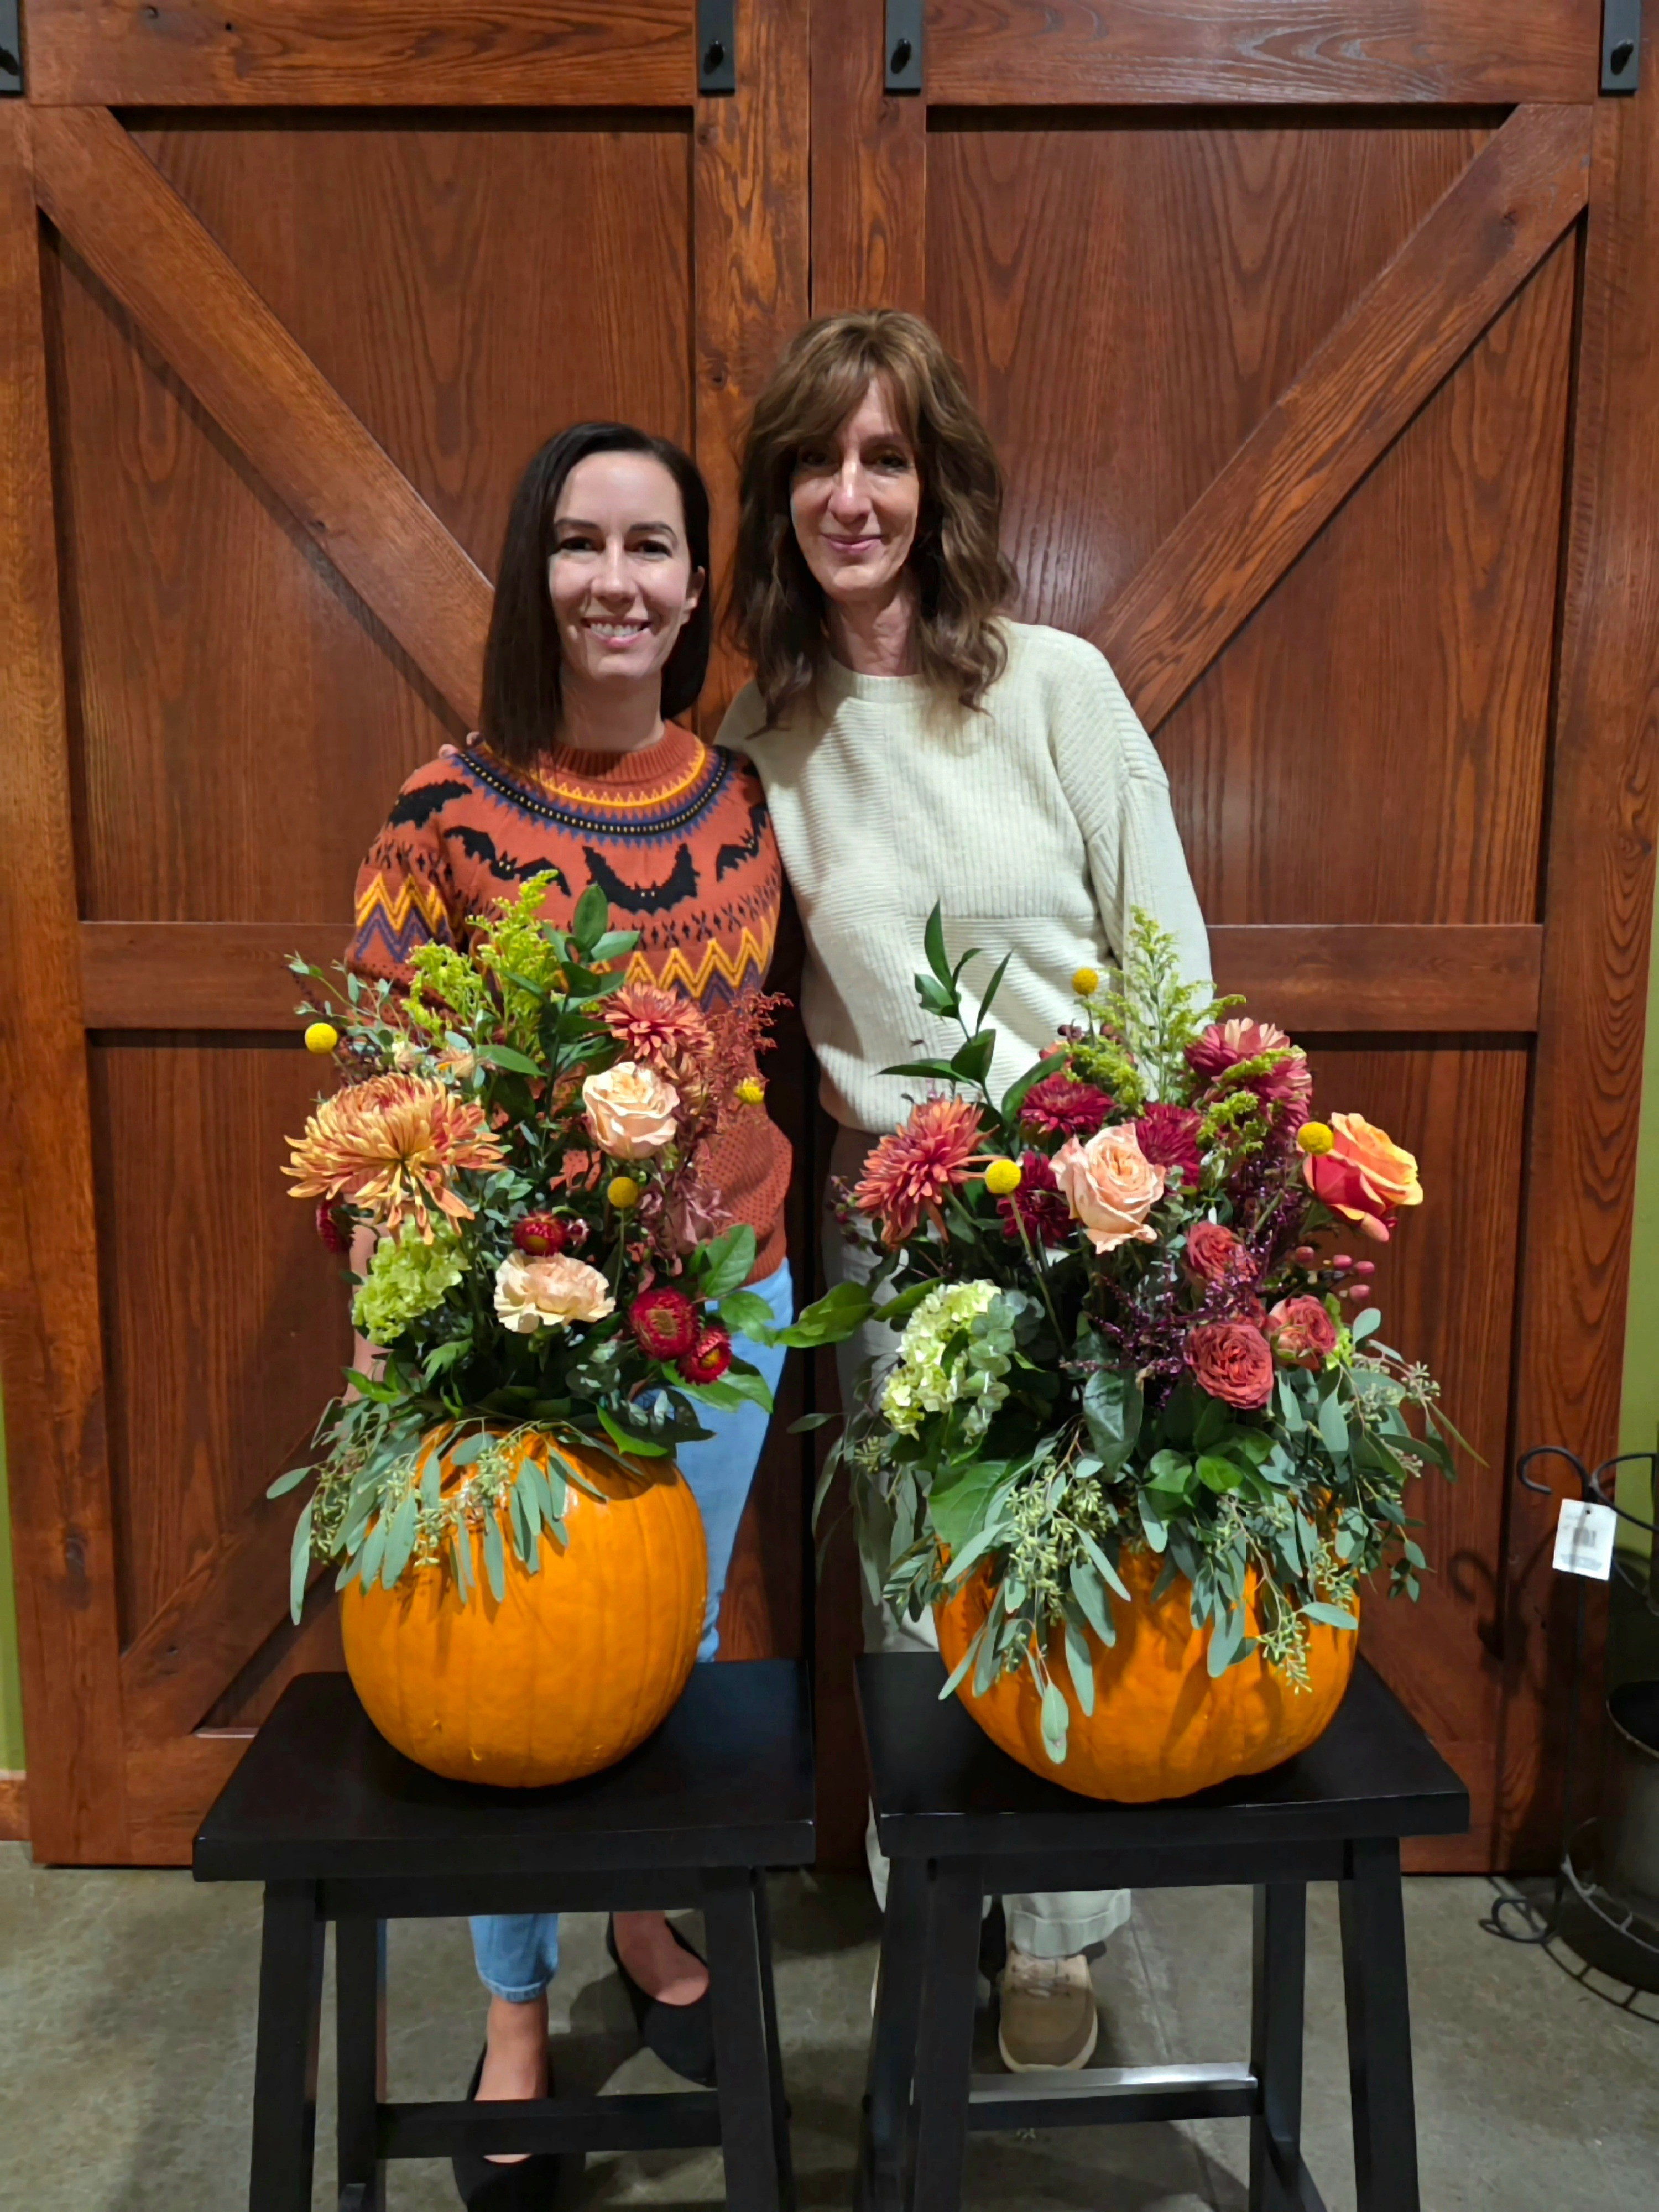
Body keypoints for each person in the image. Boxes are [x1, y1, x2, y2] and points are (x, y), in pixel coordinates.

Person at [720, 310, 1210, 2075]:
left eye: (886, 458)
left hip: (1089, 1202)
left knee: (1077, 1555)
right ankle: (931, 1894)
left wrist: (1161, 1181)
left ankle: (1062, 1935)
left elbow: (1163, 946)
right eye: (817, 462)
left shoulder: (1058, 688)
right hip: (893, 1217)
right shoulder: (767, 743)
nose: (852, 495)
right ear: (781, 497)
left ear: (938, 485)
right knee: (915, 1578)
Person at [347, 422, 793, 2205]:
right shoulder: (441, 813)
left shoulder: (743, 801)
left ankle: (635, 1914)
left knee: (662, 1640)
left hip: (731, 1307)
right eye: (581, 544)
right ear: (536, 570)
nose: (619, 581)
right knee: (521, 1682)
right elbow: (388, 1093)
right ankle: (516, 2010)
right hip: (521, 1322)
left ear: (697, 587)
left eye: (655, 548)